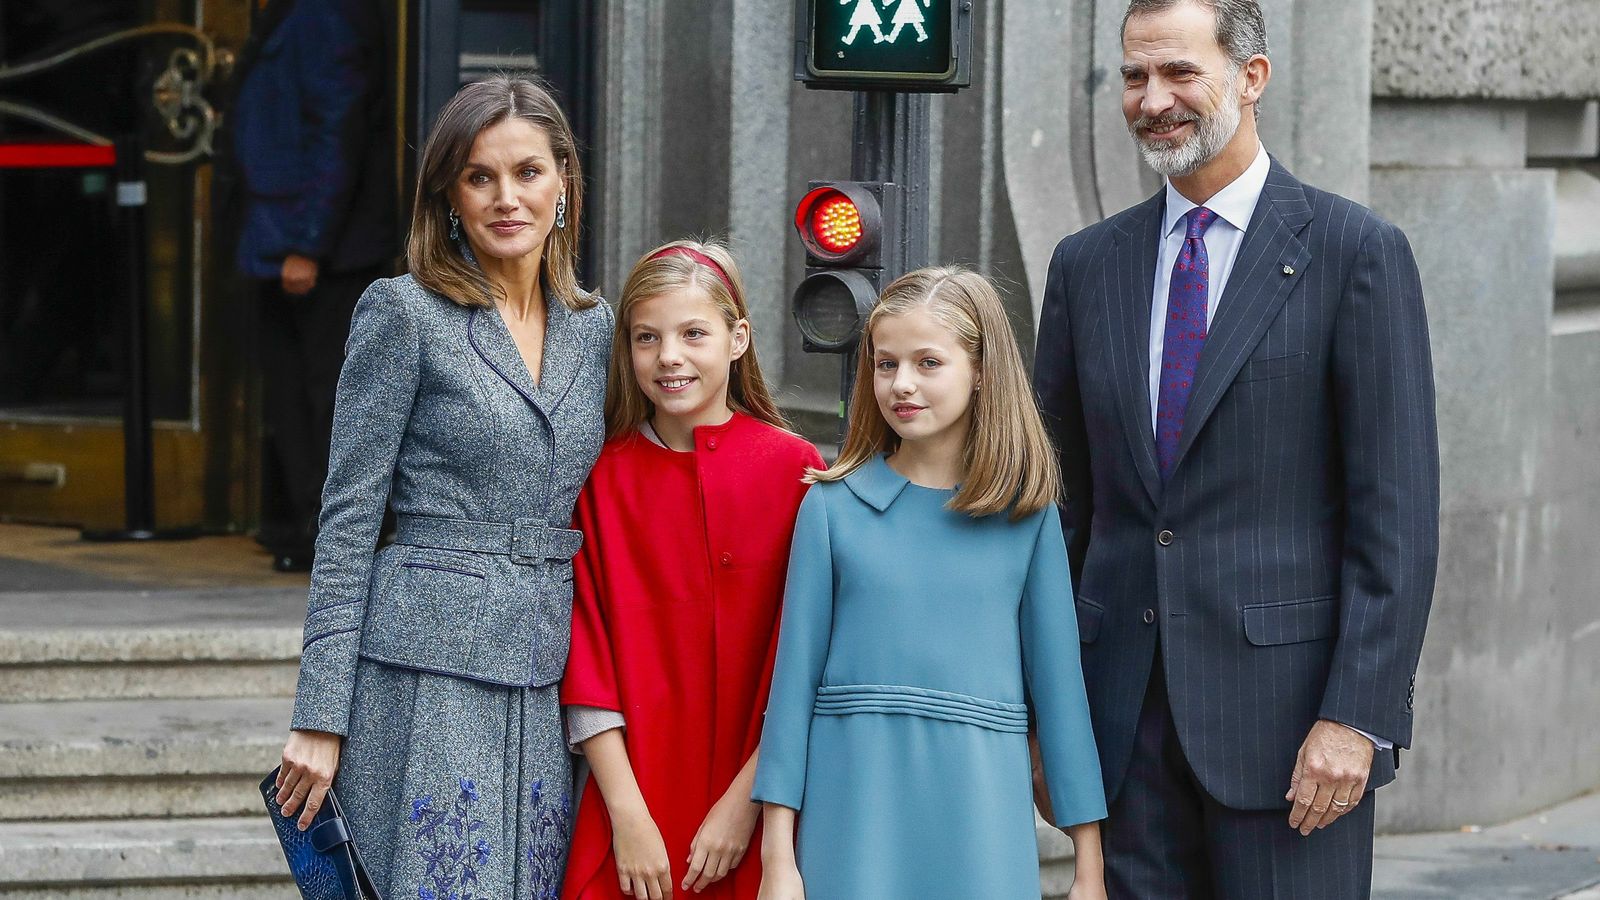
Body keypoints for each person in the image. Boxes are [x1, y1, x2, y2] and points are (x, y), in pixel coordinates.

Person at [1032, 1, 1440, 896]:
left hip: (1293, 739)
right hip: (1119, 727)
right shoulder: (1085, 265)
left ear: (1251, 78)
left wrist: (1357, 719)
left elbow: (1396, 519)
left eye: (1180, 72)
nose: (1152, 99)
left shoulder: (1355, 252)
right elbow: (1061, 511)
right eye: (1135, 76)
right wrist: (1043, 714)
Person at [272, 75, 613, 900]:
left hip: (542, 675)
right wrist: (320, 713)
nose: (507, 198)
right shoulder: (404, 312)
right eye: (480, 176)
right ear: (449, 197)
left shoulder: (595, 325)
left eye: (528, 172)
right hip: (420, 673)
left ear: (564, 180)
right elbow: (349, 519)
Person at [753, 267, 1108, 900]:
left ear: (981, 372)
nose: (902, 384)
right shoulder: (833, 508)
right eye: (885, 364)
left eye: (928, 362)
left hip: (981, 823)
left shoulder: (1028, 518)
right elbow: (791, 694)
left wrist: (1089, 869)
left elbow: (1061, 698)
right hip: (850, 817)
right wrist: (778, 860)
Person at [560, 240, 823, 900]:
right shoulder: (601, 478)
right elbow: (585, 654)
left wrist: (748, 803)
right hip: (632, 806)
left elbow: (809, 657)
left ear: (738, 339)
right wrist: (627, 814)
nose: (668, 357)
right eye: (646, 338)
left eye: (693, 333)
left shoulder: (797, 472)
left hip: (764, 808)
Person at [226, 0, 394, 571]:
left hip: (318, 252)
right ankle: (307, 529)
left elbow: (335, 133)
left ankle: (334, 543)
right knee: (295, 395)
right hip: (286, 240)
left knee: (324, 400)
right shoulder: (305, 12)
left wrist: (308, 243)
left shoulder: (327, 16)